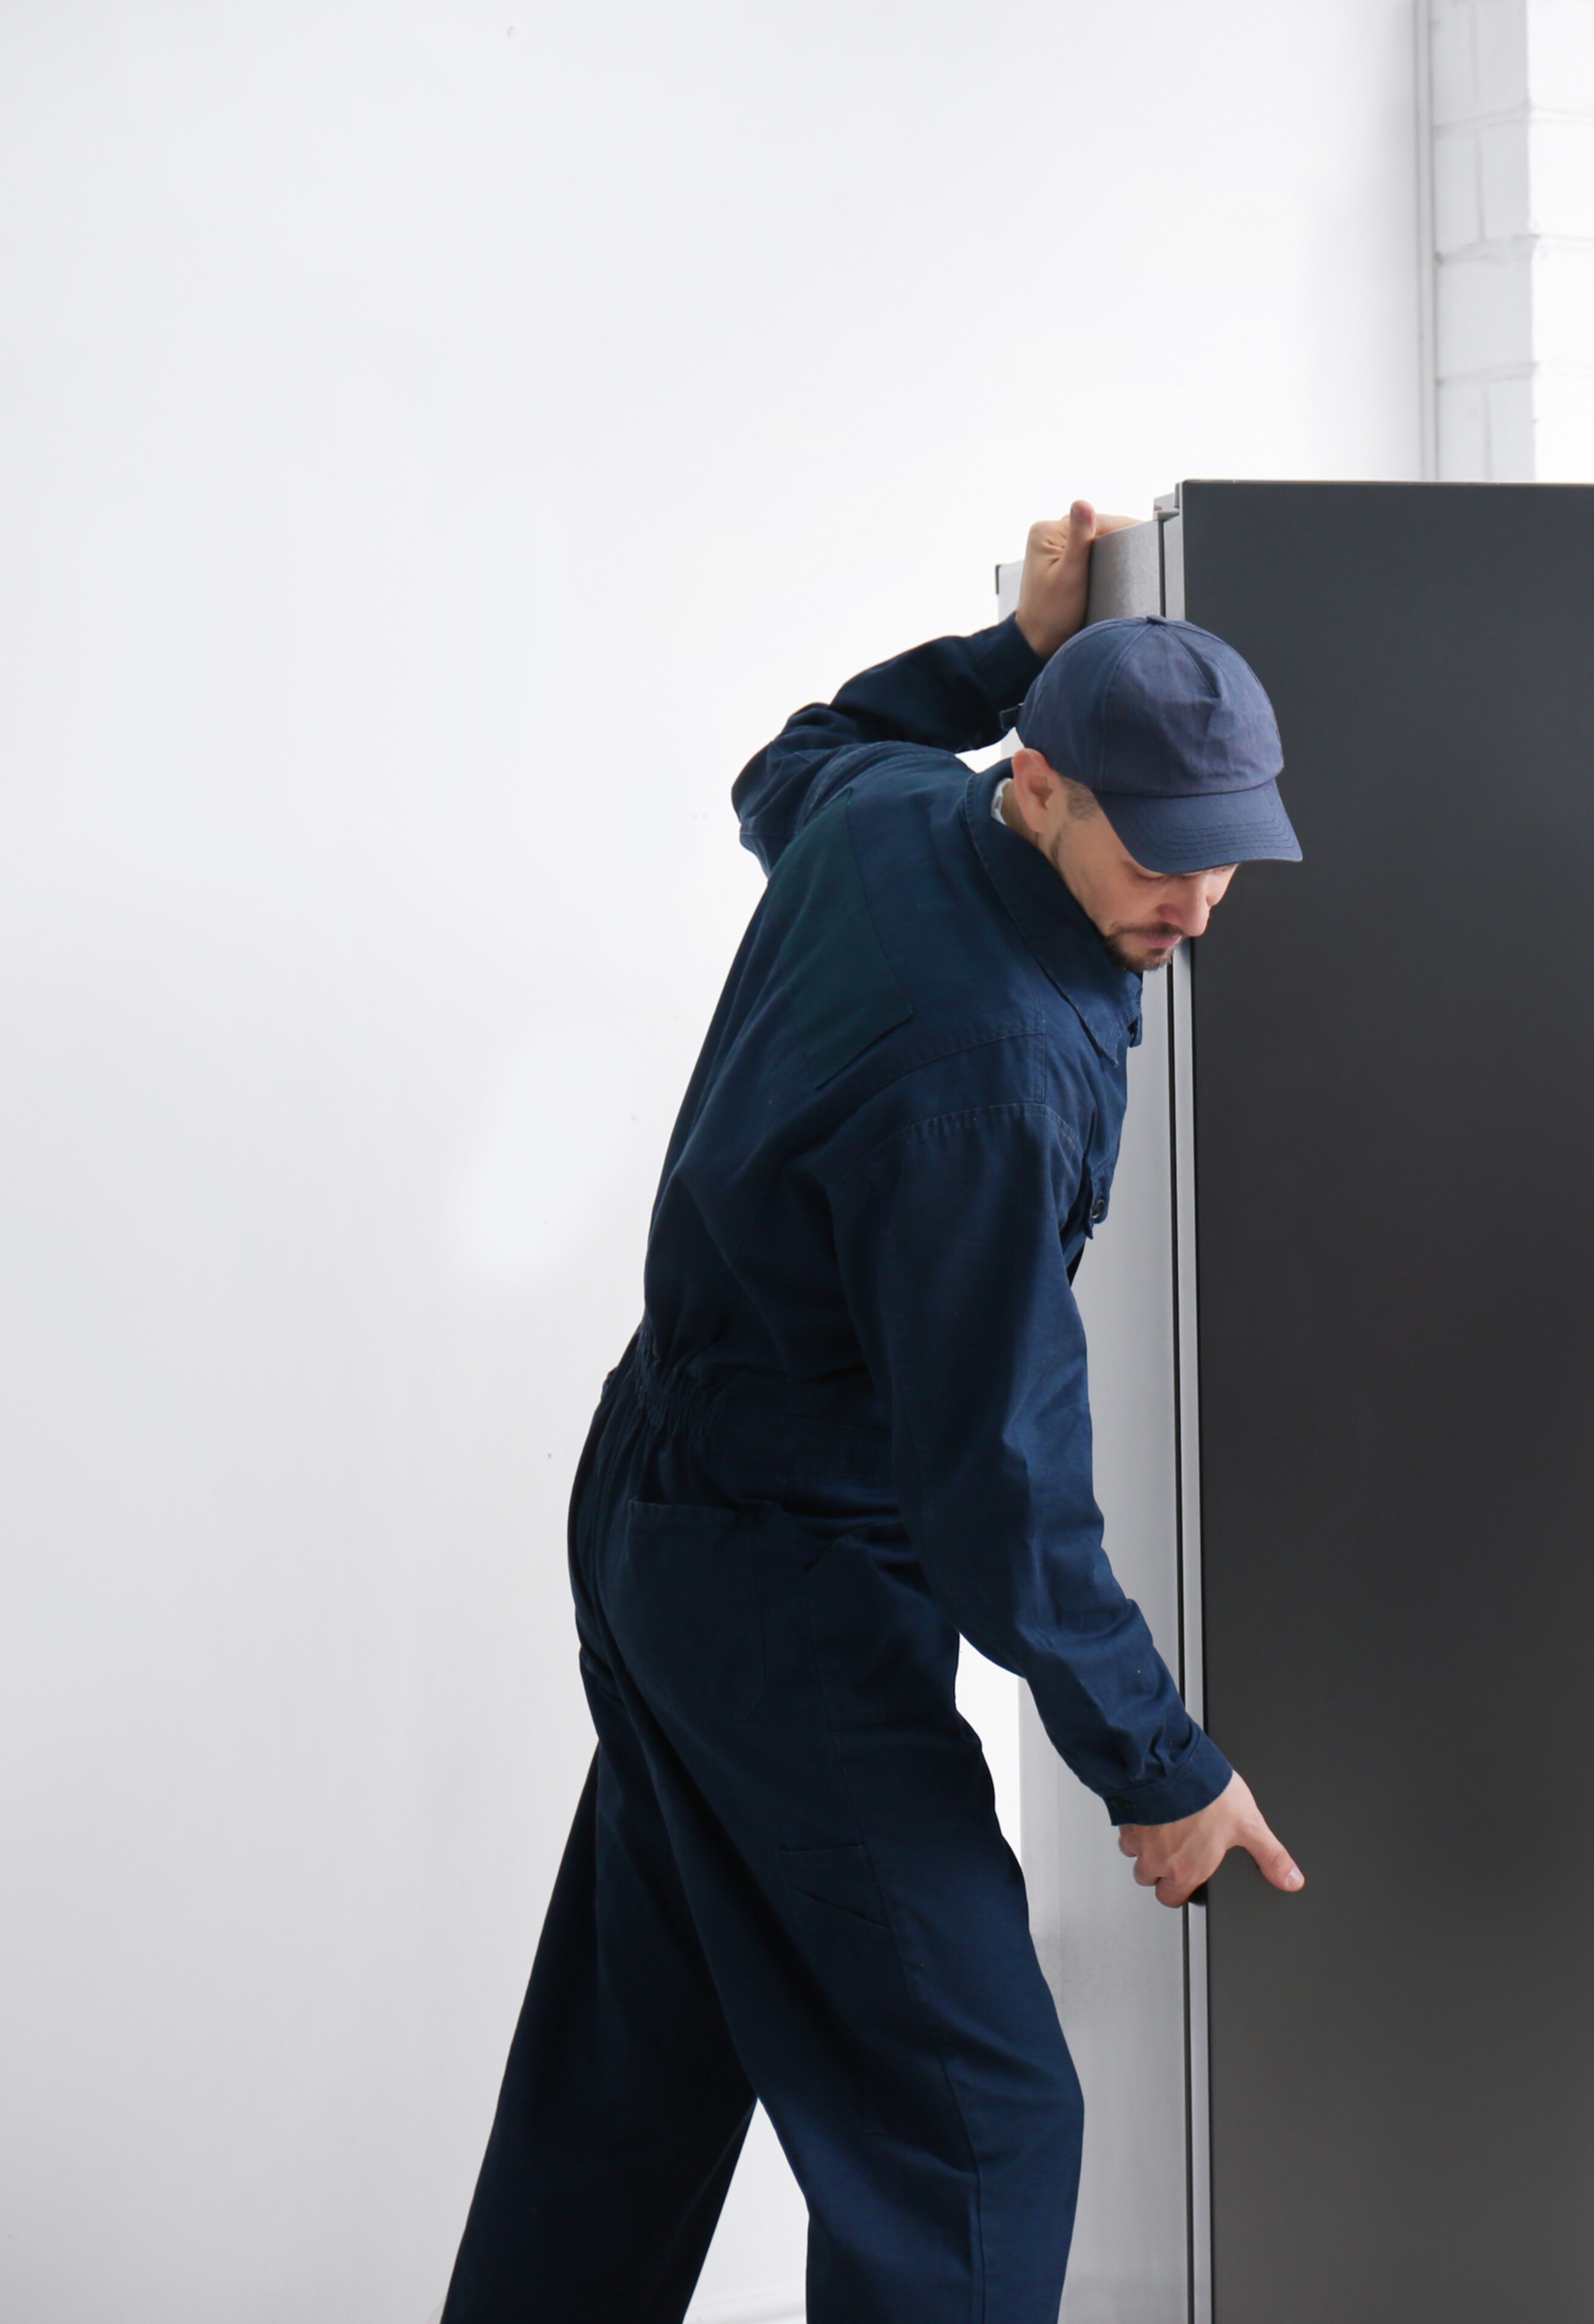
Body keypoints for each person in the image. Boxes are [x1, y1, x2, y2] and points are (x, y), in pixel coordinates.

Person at [444, 502, 1306, 2324]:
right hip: (790, 1585)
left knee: (641, 2061)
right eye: (1165, 856)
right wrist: (1157, 1767)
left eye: (1230, 860)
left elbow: (798, 757)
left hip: (666, 1518)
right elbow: (998, 1476)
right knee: (976, 2128)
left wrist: (1007, 649)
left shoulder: (887, 812)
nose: (1199, 903)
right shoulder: (989, 1074)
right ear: (1044, 792)